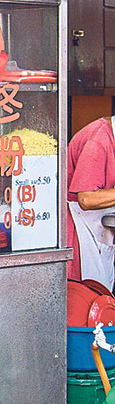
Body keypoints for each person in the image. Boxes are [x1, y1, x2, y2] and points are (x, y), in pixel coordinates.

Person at [67, 115, 115, 288]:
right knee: (85, 297)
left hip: (100, 230)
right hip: (78, 232)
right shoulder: (98, 140)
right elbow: (86, 198)